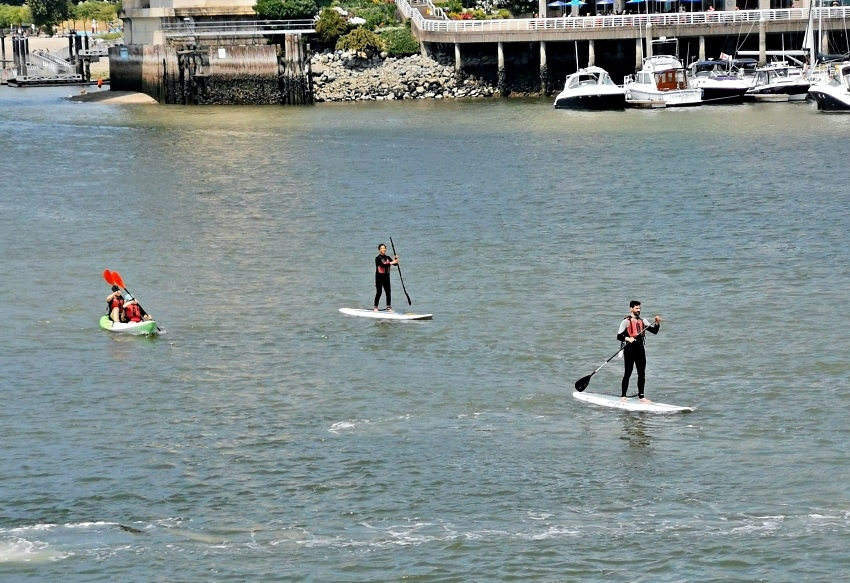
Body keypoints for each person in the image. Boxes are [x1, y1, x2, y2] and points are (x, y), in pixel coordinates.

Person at [616, 300, 661, 403]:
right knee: (628, 373)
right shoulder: (626, 321)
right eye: (636, 308)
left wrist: (657, 322)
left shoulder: (643, 321)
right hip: (629, 350)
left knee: (642, 373)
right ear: (631, 308)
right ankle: (623, 396)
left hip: (640, 350)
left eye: (639, 308)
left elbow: (654, 331)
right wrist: (628, 338)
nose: (638, 310)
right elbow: (619, 336)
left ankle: (641, 397)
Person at [373, 243, 398, 312]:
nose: (383, 249)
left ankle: (388, 307)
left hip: (386, 277)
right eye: (381, 248)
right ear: (379, 250)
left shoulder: (387, 257)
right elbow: (383, 265)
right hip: (379, 278)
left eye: (384, 248)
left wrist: (395, 260)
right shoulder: (377, 258)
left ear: (385, 249)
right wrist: (392, 262)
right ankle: (375, 307)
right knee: (379, 292)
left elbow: (395, 264)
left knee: (388, 292)